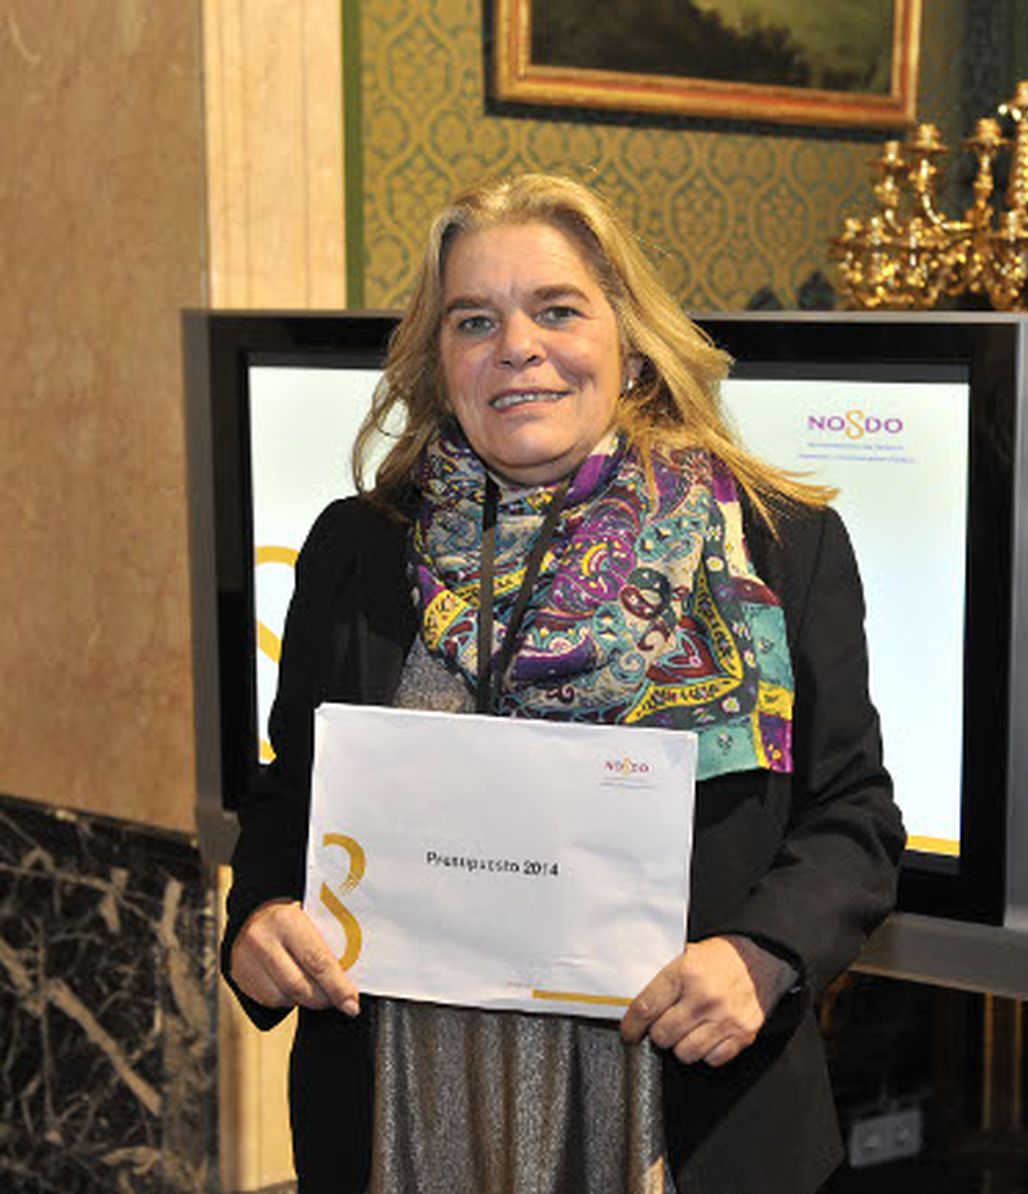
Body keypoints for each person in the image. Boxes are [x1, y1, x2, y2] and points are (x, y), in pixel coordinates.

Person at [221, 172, 904, 1194]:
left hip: (682, 1114)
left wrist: (763, 955)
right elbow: (292, 792)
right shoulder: (357, 547)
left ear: (631, 343)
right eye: (473, 320)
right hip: (404, 1109)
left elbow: (853, 815)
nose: (517, 347)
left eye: (557, 310)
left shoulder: (778, 545)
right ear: (438, 361)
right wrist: (261, 912)